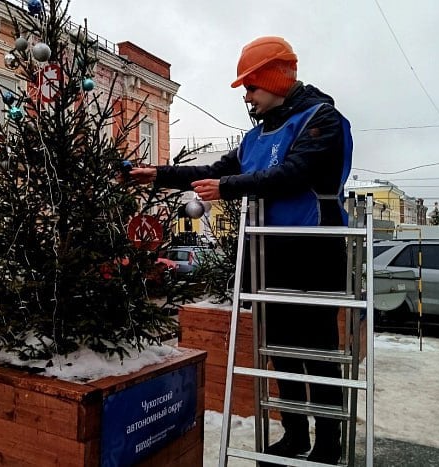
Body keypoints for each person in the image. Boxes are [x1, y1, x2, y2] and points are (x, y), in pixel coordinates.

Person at [131, 36, 352, 464]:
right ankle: (294, 433)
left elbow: (293, 173)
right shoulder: (256, 136)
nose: (247, 98)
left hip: (314, 252)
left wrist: (227, 188)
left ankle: (328, 442)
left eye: (251, 88)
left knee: (318, 351)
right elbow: (213, 172)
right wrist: (157, 174)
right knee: (281, 350)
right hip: (269, 255)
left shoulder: (321, 119)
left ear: (273, 79)